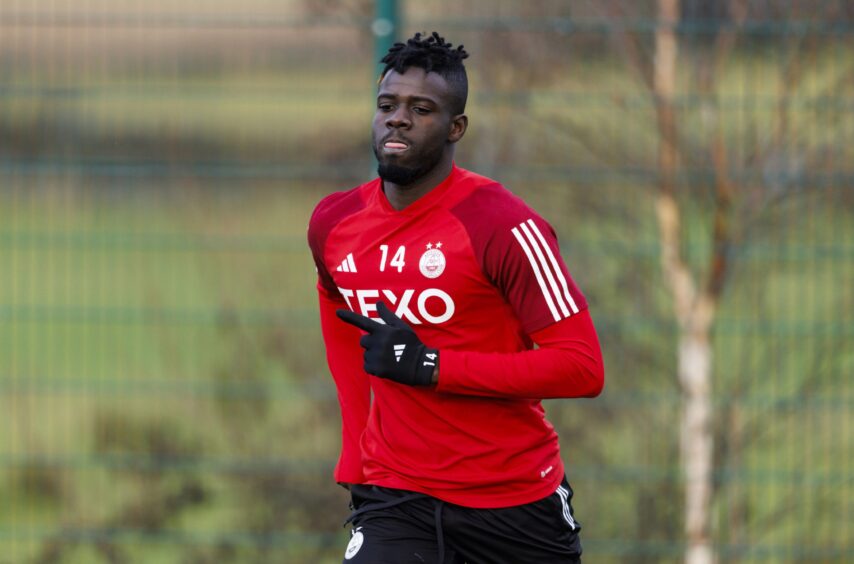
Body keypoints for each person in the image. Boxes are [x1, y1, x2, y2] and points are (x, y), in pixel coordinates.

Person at [307, 31, 604, 564]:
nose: (397, 119)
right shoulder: (334, 224)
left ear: (455, 127)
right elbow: (339, 320)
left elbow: (582, 368)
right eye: (387, 105)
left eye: (421, 109)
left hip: (514, 504)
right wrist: (356, 457)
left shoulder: (504, 225)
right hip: (397, 499)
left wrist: (434, 366)